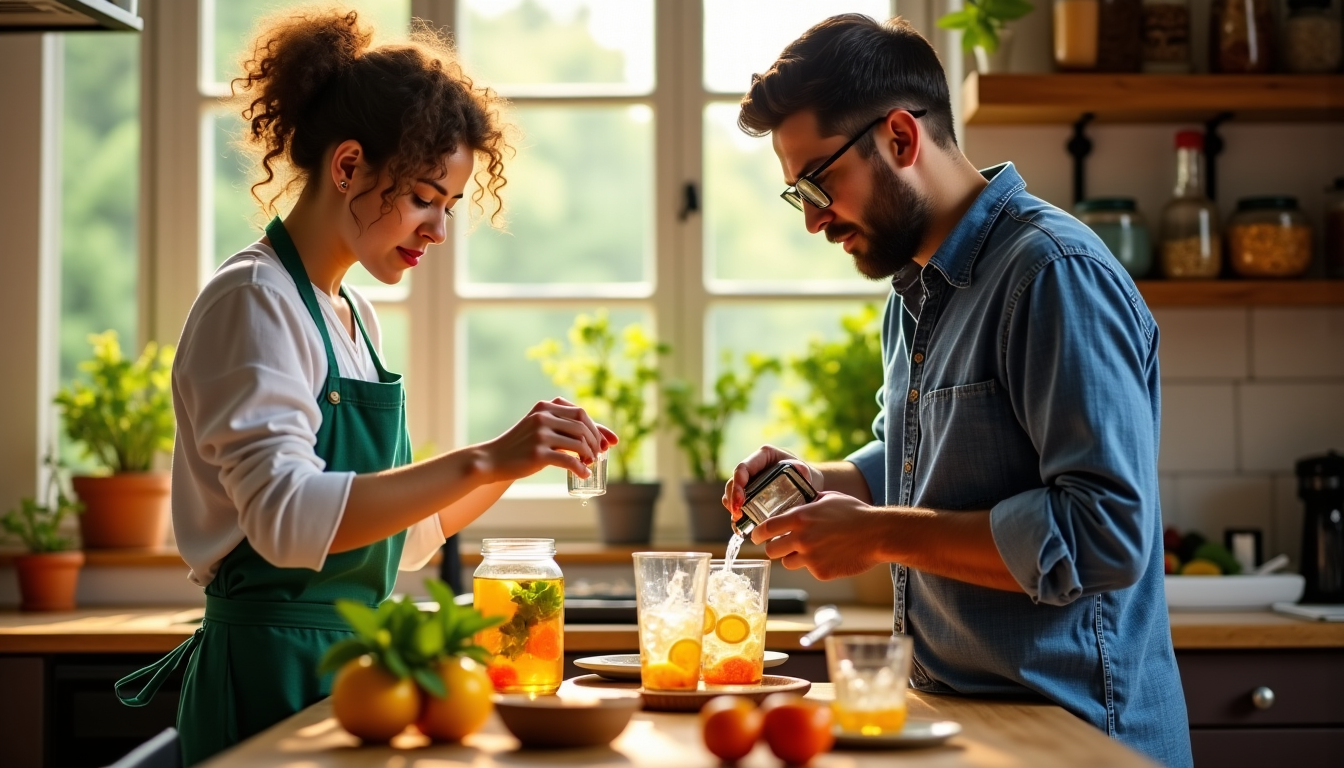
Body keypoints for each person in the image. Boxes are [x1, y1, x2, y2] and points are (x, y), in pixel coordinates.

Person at [114, 9, 615, 765]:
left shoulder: (350, 315)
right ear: (348, 167)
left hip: (353, 674)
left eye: (448, 206)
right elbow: (288, 520)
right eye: (423, 197)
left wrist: (517, 459)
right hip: (269, 672)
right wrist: (482, 458)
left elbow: (402, 539)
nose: (438, 231)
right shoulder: (254, 299)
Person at [722, 15, 1191, 768]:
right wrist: (821, 484)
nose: (811, 218)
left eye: (818, 181)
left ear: (901, 139)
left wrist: (876, 532)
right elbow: (911, 458)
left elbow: (1104, 534)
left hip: (1079, 739)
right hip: (962, 728)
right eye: (796, 194)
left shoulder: (1051, 273)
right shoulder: (912, 296)